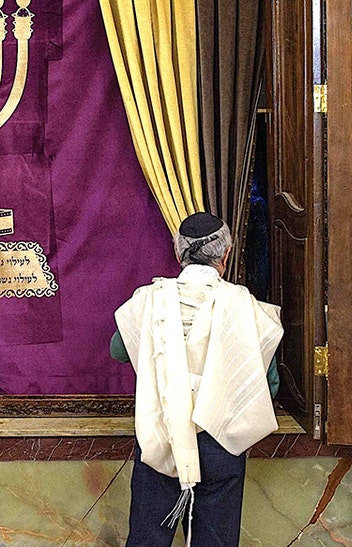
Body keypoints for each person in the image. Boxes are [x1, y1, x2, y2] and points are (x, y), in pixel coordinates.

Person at [112, 211, 283, 547]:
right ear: (226, 254)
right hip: (221, 442)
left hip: (160, 434)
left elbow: (118, 350)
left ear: (178, 253)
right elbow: (270, 384)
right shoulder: (245, 307)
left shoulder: (149, 301)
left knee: (147, 540)